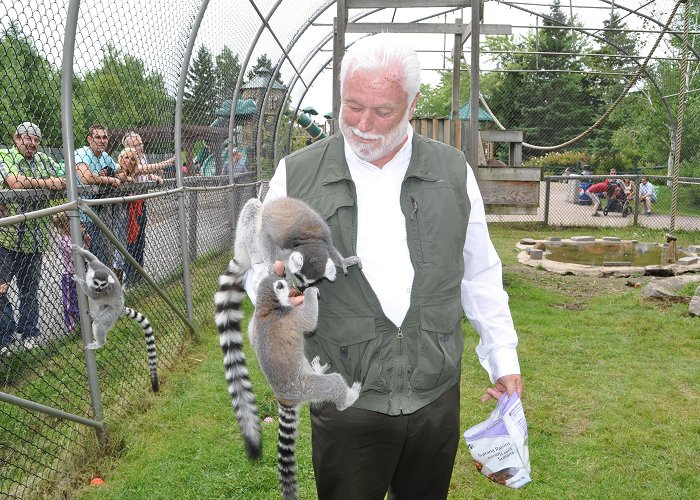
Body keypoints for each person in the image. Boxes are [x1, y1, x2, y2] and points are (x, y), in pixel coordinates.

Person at [246, 35, 523, 499]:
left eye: (383, 110)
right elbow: (257, 264)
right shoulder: (296, 173)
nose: (363, 124)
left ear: (413, 104)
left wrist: (503, 359)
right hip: (348, 399)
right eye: (352, 106)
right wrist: (273, 286)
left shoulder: (453, 173)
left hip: (434, 394)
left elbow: (479, 273)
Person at [0, 122, 67, 353]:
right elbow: (14, 182)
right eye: (27, 138)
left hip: (35, 238)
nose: (32, 143)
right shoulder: (4, 155)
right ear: (16, 138)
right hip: (7, 239)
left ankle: (28, 332)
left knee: (29, 292)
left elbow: (64, 177)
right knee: (1, 289)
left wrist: (49, 182)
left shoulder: (43, 159)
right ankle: (6, 337)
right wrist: (48, 184)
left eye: (36, 140)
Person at [75, 124, 127, 266]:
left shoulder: (105, 157)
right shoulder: (82, 153)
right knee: (88, 261)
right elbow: (86, 178)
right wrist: (110, 179)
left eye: (105, 137)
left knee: (101, 258)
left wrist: (111, 175)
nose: (102, 141)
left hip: (99, 215)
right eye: (97, 137)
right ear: (89, 139)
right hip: (81, 216)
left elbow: (123, 174)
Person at [53, 211, 86, 333]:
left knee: (80, 298)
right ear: (64, 226)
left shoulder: (74, 236)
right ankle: (71, 327)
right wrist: (80, 237)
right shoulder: (63, 239)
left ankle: (82, 322)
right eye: (71, 224)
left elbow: (85, 250)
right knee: (69, 302)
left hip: (80, 272)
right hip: (69, 275)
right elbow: (74, 252)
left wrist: (85, 239)